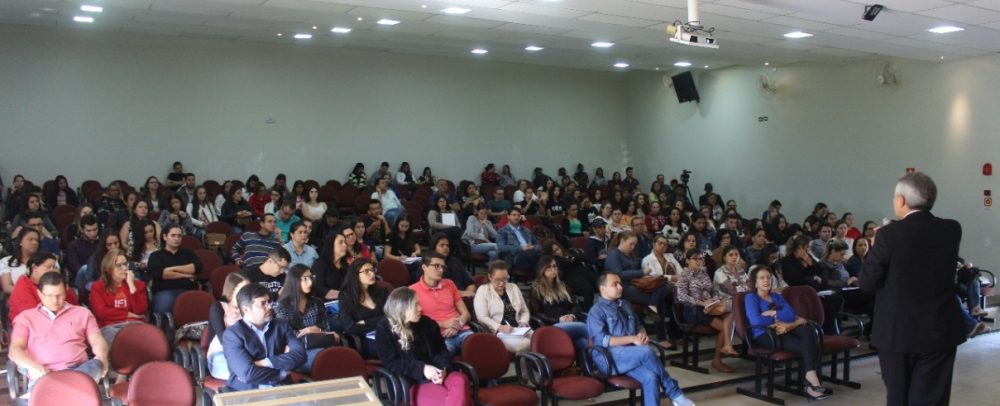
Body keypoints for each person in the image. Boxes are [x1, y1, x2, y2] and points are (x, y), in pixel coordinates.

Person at [860, 172, 964, 406]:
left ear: (901, 200)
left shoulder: (888, 236)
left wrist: (874, 249)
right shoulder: (951, 229)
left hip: (898, 331)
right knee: (932, 397)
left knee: (898, 397)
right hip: (940, 328)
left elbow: (867, 283)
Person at [587, 272, 694, 406]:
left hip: (631, 355)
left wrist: (642, 335)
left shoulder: (626, 305)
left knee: (651, 377)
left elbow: (638, 325)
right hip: (609, 358)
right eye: (615, 284)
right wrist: (632, 339)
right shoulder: (596, 311)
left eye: (620, 283)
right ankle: (675, 394)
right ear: (603, 289)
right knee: (646, 352)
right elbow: (603, 340)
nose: (620, 287)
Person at [9, 272, 108, 393]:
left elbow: (97, 339)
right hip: (45, 373)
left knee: (96, 365)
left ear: (66, 290)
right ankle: (67, 390)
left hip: (79, 370)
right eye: (50, 296)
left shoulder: (82, 313)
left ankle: (60, 390)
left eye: (59, 295)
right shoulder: (25, 318)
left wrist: (102, 357)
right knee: (77, 384)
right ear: (39, 294)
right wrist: (32, 366)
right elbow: (15, 350)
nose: (55, 300)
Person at [745, 265, 830, 400]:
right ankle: (811, 382)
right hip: (765, 335)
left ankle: (810, 378)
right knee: (809, 345)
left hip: (784, 329)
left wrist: (773, 313)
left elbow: (791, 314)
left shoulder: (776, 296)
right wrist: (779, 318)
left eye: (768, 277)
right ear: (755, 282)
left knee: (807, 329)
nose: (766, 280)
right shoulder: (751, 298)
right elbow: (756, 321)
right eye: (761, 278)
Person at [376, 287, 472, 406]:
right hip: (413, 381)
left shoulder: (427, 323)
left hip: (438, 373)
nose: (420, 308)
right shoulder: (384, 329)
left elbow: (442, 350)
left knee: (461, 379)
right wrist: (422, 369)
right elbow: (391, 363)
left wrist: (443, 369)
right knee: (458, 399)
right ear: (402, 308)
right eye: (415, 305)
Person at [222, 283, 307, 391]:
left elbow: (301, 355)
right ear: (246, 309)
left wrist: (265, 362)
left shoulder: (281, 326)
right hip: (247, 392)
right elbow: (247, 374)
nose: (270, 306)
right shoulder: (232, 335)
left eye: (269, 302)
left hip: (282, 389)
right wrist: (281, 373)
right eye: (263, 303)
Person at [606, 231, 677, 343]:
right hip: (622, 287)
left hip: (636, 284)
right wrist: (641, 272)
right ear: (622, 241)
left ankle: (652, 306)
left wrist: (643, 274)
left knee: (665, 284)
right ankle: (661, 337)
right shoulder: (614, 254)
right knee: (659, 299)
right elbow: (618, 274)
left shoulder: (631, 254)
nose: (633, 247)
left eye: (635, 244)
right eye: (631, 244)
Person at [675, 249, 738, 372]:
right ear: (687, 261)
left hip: (708, 306)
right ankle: (717, 360)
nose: (699, 261)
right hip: (693, 309)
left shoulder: (703, 273)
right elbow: (681, 296)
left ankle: (727, 348)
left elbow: (711, 290)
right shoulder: (684, 274)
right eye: (695, 259)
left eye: (700, 259)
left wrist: (715, 299)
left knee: (730, 313)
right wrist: (701, 302)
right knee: (724, 328)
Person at [272, 264, 339, 371]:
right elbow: (287, 335)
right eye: (305, 279)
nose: (310, 282)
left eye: (311, 278)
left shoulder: (316, 302)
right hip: (296, 351)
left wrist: (317, 331)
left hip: (320, 345)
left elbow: (325, 328)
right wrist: (311, 331)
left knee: (338, 356)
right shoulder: (282, 306)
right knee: (326, 358)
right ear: (294, 281)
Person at [410, 252, 473, 355]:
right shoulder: (412, 291)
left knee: (480, 350)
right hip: (437, 337)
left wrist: (456, 326)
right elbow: (414, 323)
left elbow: (466, 314)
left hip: (461, 331)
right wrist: (443, 323)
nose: (441, 270)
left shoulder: (449, 284)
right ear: (424, 267)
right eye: (436, 266)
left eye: (443, 267)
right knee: (442, 359)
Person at [528, 255, 590, 351]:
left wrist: (572, 315)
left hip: (570, 322)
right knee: (585, 328)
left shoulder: (562, 285)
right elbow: (536, 313)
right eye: (549, 267)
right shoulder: (536, 288)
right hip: (551, 325)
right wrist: (558, 319)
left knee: (583, 343)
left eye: (554, 266)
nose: (553, 270)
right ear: (542, 270)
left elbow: (575, 304)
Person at [89, 248, 148, 345]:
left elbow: (140, 311)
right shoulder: (98, 287)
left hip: (136, 325)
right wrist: (128, 314)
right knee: (122, 340)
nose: (124, 268)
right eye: (119, 265)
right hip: (111, 327)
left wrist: (131, 285)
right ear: (108, 268)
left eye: (125, 264)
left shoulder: (138, 285)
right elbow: (101, 312)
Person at [473, 261, 532, 353]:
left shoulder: (513, 287)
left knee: (540, 339)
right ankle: (527, 361)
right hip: (499, 332)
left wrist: (523, 322)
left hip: (518, 328)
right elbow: (482, 317)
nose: (501, 283)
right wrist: (499, 327)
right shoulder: (483, 291)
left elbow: (524, 311)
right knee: (525, 344)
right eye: (498, 280)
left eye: (505, 279)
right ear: (490, 277)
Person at [147, 224, 202, 314]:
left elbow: (198, 267)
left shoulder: (189, 253)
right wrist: (185, 275)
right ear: (165, 237)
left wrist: (171, 269)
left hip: (188, 290)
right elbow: (159, 273)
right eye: (173, 235)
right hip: (165, 291)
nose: (176, 239)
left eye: (179, 236)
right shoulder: (156, 255)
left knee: (203, 304)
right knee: (165, 303)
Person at [8, 252, 80, 321]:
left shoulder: (58, 285)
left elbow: (75, 308)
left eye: (54, 267)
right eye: (48, 267)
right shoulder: (23, 285)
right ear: (34, 267)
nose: (53, 271)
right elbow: (32, 317)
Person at [339, 259, 388, 359]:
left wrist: (365, 322)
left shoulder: (381, 292)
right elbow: (350, 327)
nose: (372, 274)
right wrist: (380, 321)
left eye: (372, 270)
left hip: (386, 333)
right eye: (366, 271)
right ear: (355, 275)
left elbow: (391, 317)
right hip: (365, 340)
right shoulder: (346, 297)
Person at [207, 272, 249, 380]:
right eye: (243, 290)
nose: (247, 293)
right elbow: (223, 340)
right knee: (245, 374)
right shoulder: (218, 307)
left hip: (247, 353)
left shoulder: (249, 308)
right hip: (221, 354)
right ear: (231, 291)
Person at [427, 233, 476, 297]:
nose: (446, 247)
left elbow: (470, 283)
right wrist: (460, 294)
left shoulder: (455, 261)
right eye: (442, 245)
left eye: (447, 245)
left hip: (463, 297)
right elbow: (430, 289)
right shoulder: (428, 264)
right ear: (434, 247)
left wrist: (469, 293)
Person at [496, 207, 542, 272]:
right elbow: (501, 247)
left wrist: (533, 247)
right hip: (516, 257)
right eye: (514, 215)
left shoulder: (526, 230)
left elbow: (538, 244)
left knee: (545, 255)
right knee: (536, 257)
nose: (517, 217)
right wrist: (521, 248)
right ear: (508, 217)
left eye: (518, 215)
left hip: (532, 253)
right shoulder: (502, 231)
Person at [2, 227, 41, 294]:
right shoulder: (6, 261)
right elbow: (7, 287)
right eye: (30, 239)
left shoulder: (44, 261)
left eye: (37, 240)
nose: (35, 243)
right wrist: (29, 293)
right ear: (20, 242)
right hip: (18, 297)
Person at [311, 232, 349, 300]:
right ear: (331, 245)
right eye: (340, 242)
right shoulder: (320, 263)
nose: (345, 245)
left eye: (345, 242)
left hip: (344, 300)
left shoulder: (345, 265)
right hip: (325, 303)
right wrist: (342, 294)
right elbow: (318, 288)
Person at [65, 214, 100, 281]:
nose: (93, 233)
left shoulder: (102, 242)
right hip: (83, 279)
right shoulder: (73, 246)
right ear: (82, 230)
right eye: (89, 231)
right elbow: (76, 268)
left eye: (95, 229)